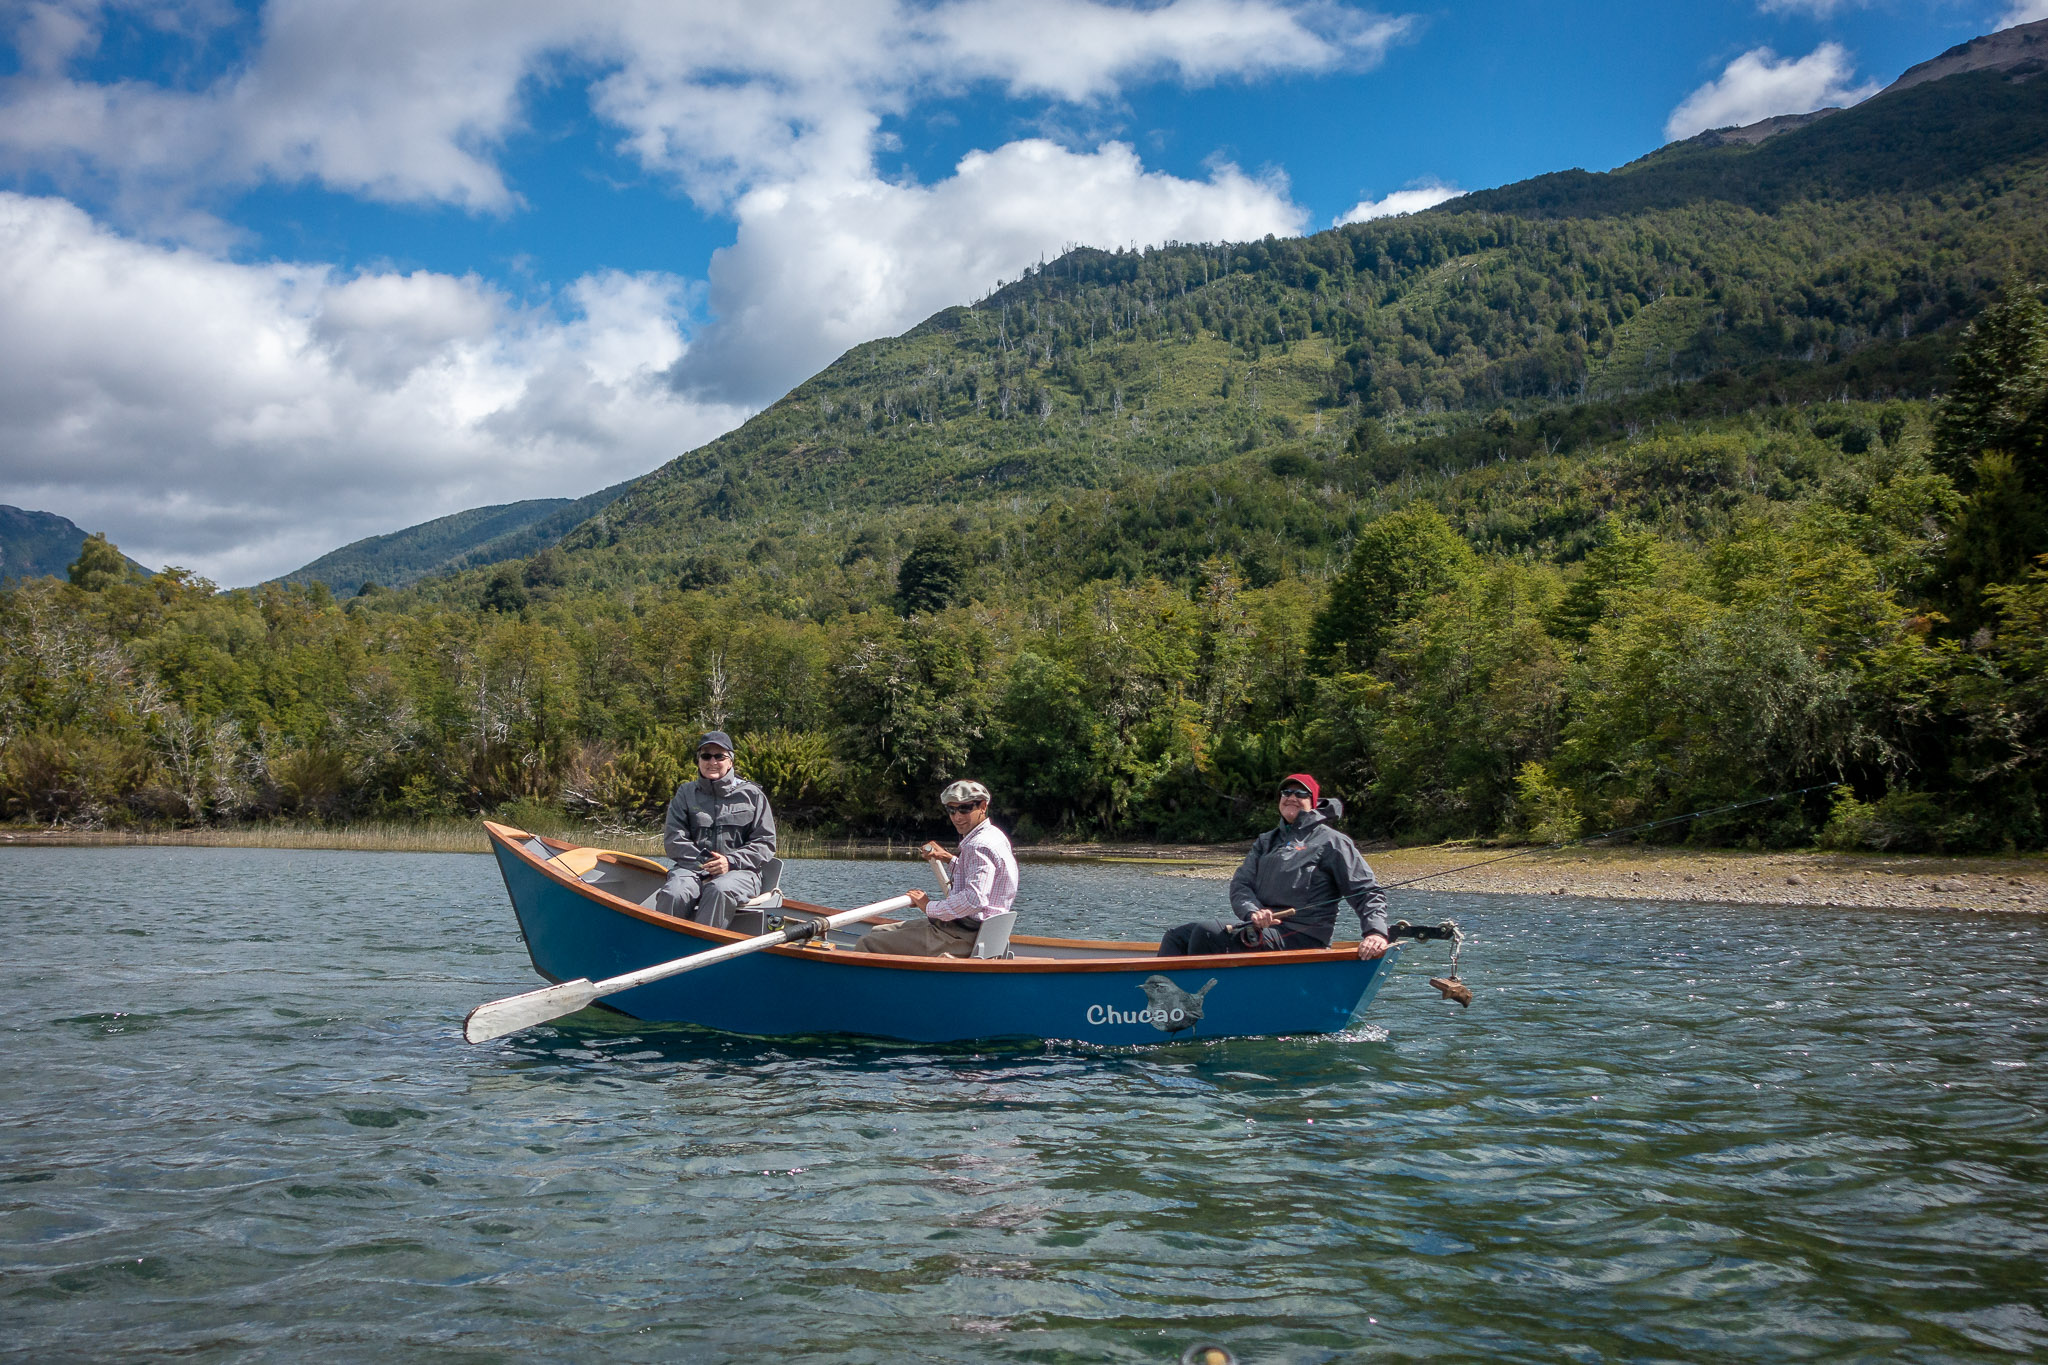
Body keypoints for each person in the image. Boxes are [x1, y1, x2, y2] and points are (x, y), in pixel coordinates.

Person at [1158, 773, 1390, 960]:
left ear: (1313, 802)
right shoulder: (1266, 841)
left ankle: (1205, 1005)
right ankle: (1165, 1006)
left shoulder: (1332, 841)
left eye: (1300, 793)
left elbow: (1366, 891)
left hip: (1302, 936)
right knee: (1176, 937)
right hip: (1262, 930)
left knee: (1208, 933)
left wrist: (1376, 932)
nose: (1291, 797)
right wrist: (1253, 911)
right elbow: (1241, 884)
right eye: (1286, 792)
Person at [853, 779, 1019, 957]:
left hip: (964, 935)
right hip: (976, 932)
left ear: (983, 806)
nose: (957, 817)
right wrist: (949, 859)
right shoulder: (995, 836)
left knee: (867, 943)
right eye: (951, 810)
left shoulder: (977, 845)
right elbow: (982, 878)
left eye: (965, 808)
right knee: (880, 932)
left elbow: (974, 899)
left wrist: (928, 906)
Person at [655, 731, 777, 929]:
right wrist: (706, 864)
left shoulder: (753, 795)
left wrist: (729, 862)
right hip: (692, 869)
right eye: (706, 756)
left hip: (741, 873)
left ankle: (703, 952)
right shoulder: (685, 793)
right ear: (698, 761)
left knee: (719, 889)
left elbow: (765, 843)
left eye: (719, 756)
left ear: (730, 762)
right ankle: (665, 947)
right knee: (674, 892)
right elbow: (674, 840)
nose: (712, 761)